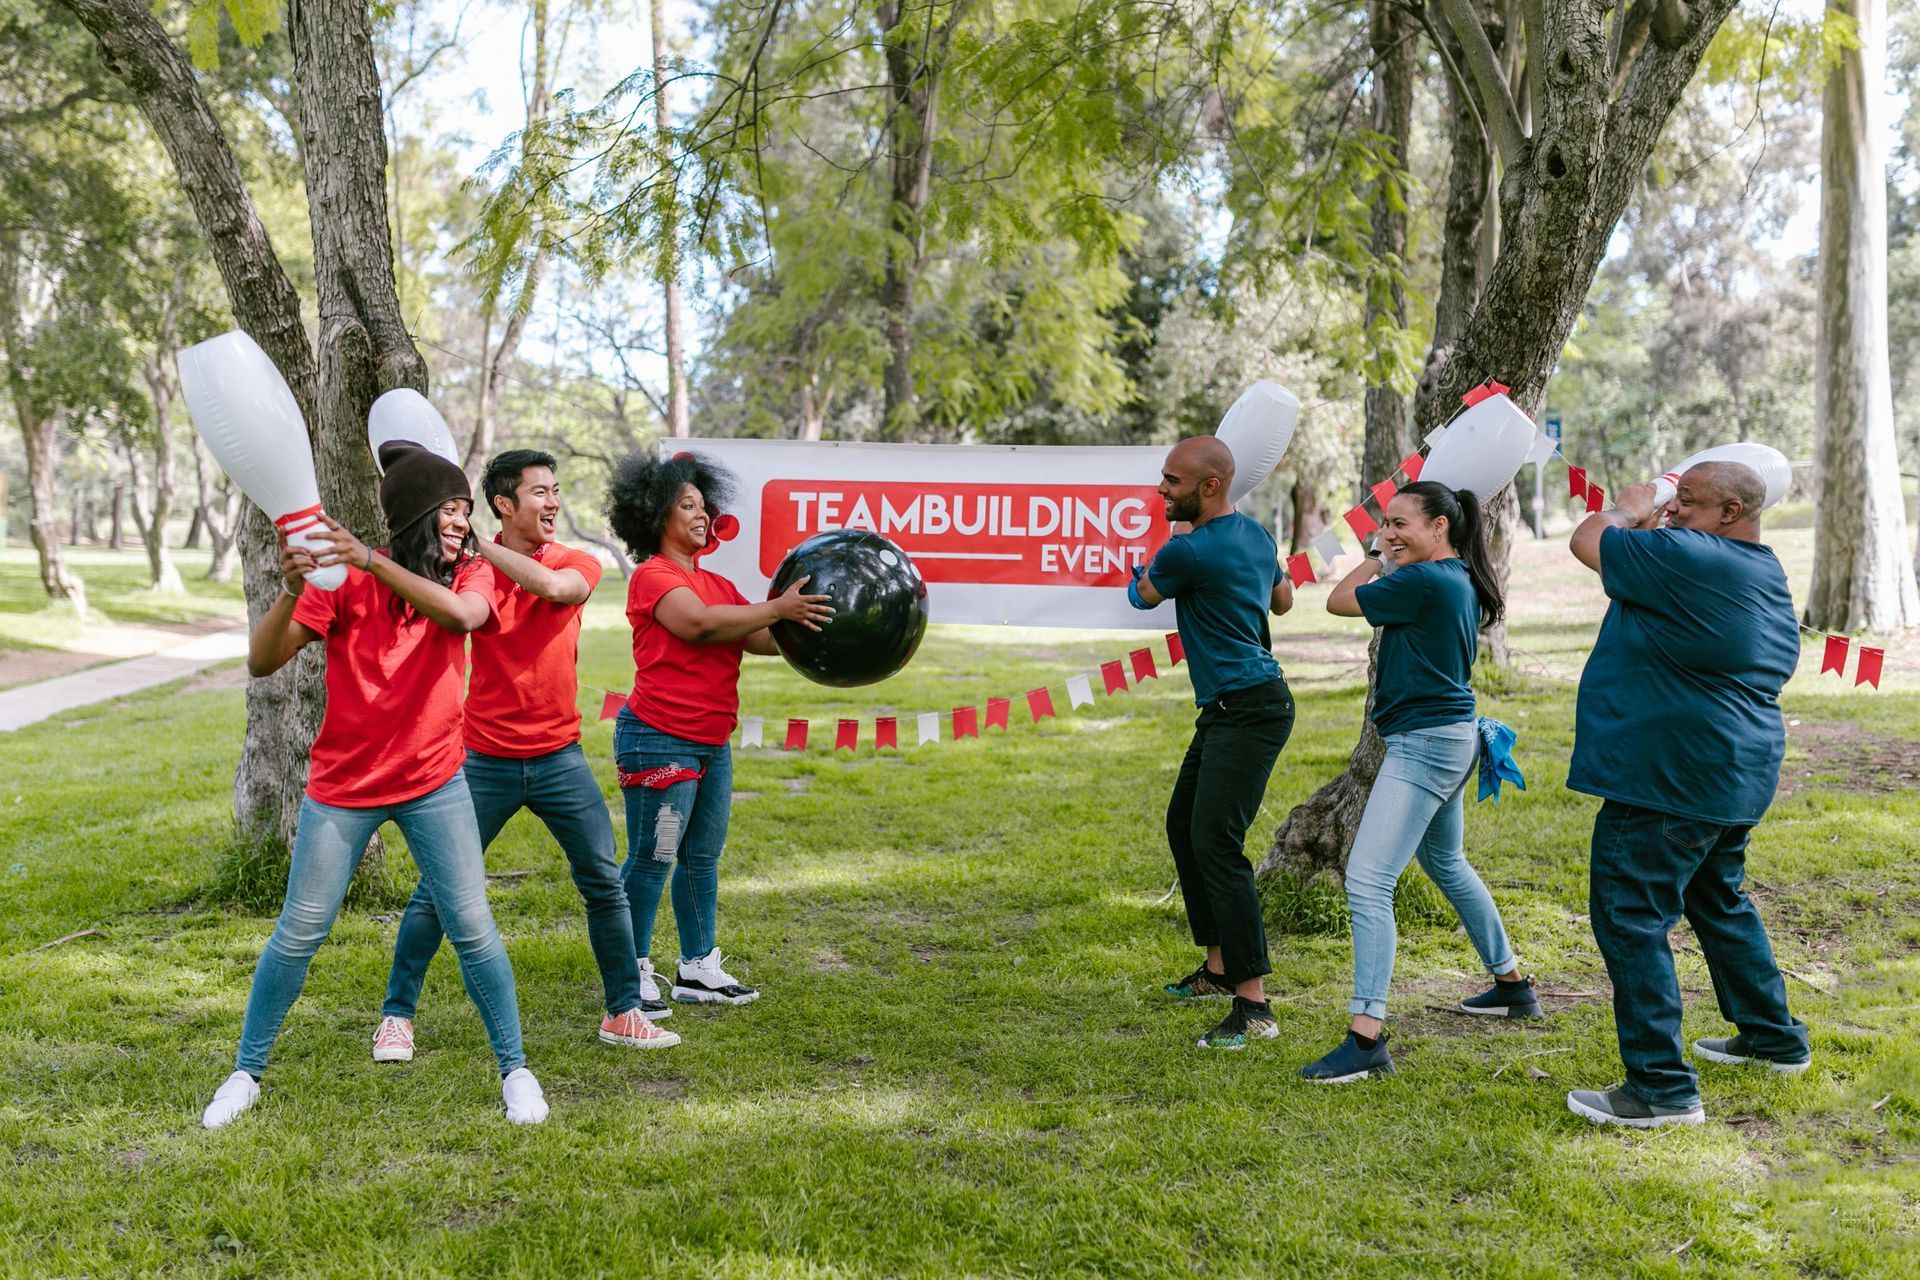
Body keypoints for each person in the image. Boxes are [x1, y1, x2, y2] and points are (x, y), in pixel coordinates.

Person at [202, 442, 547, 1129]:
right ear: (417, 515)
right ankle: (244, 1073)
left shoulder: (470, 574)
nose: (462, 522)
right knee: (299, 932)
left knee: (473, 927)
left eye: (465, 510)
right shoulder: (346, 582)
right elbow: (263, 661)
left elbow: (464, 618)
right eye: (450, 509)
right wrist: (295, 588)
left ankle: (516, 1071)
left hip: (434, 782)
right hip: (345, 787)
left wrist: (368, 559)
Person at [374, 449, 677, 1064]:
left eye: (556, 490)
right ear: (504, 504)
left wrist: (481, 547)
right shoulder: (471, 574)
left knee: (603, 884)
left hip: (560, 758)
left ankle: (624, 1011)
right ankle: (396, 1018)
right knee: (438, 889)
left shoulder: (573, 561)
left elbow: (554, 589)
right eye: (540, 492)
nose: (554, 502)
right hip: (483, 760)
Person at [1563, 462, 1809, 1129]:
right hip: (1735, 770)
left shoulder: (1694, 557)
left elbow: (1588, 540)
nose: (1671, 510)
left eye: (1686, 501)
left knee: (1630, 915)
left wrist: (1630, 507)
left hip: (1669, 774)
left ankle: (1661, 1090)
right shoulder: (1759, 566)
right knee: (1718, 900)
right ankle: (1774, 1038)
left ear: (1731, 512)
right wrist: (1659, 521)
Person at [1298, 481, 1536, 1083]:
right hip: (1450, 736)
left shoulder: (1425, 580)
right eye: (1384, 523)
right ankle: (1512, 985)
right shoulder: (1455, 574)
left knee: (1367, 881)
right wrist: (1393, 552)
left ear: (1439, 527)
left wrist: (1377, 557)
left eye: (1399, 523)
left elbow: (1339, 600)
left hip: (1426, 745)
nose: (1388, 533)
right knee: (1446, 864)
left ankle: (1365, 1038)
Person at [604, 451, 833, 1008]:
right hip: (659, 740)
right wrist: (777, 609)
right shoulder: (654, 577)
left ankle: (698, 968)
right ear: (657, 514)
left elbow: (760, 637)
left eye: (704, 506)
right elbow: (699, 624)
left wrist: (816, 623)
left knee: (702, 857)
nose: (702, 515)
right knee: (655, 856)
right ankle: (630, 969)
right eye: (687, 505)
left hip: (711, 743)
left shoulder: (720, 585)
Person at [1130, 436, 1297, 1050]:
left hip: (1248, 710)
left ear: (1209, 487)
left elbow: (1142, 595)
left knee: (1217, 845)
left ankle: (1254, 1006)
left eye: (1172, 481)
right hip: (1236, 707)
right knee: (1185, 826)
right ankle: (1218, 969)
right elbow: (1283, 600)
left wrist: (1144, 568)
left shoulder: (1187, 550)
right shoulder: (1256, 535)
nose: (1161, 489)